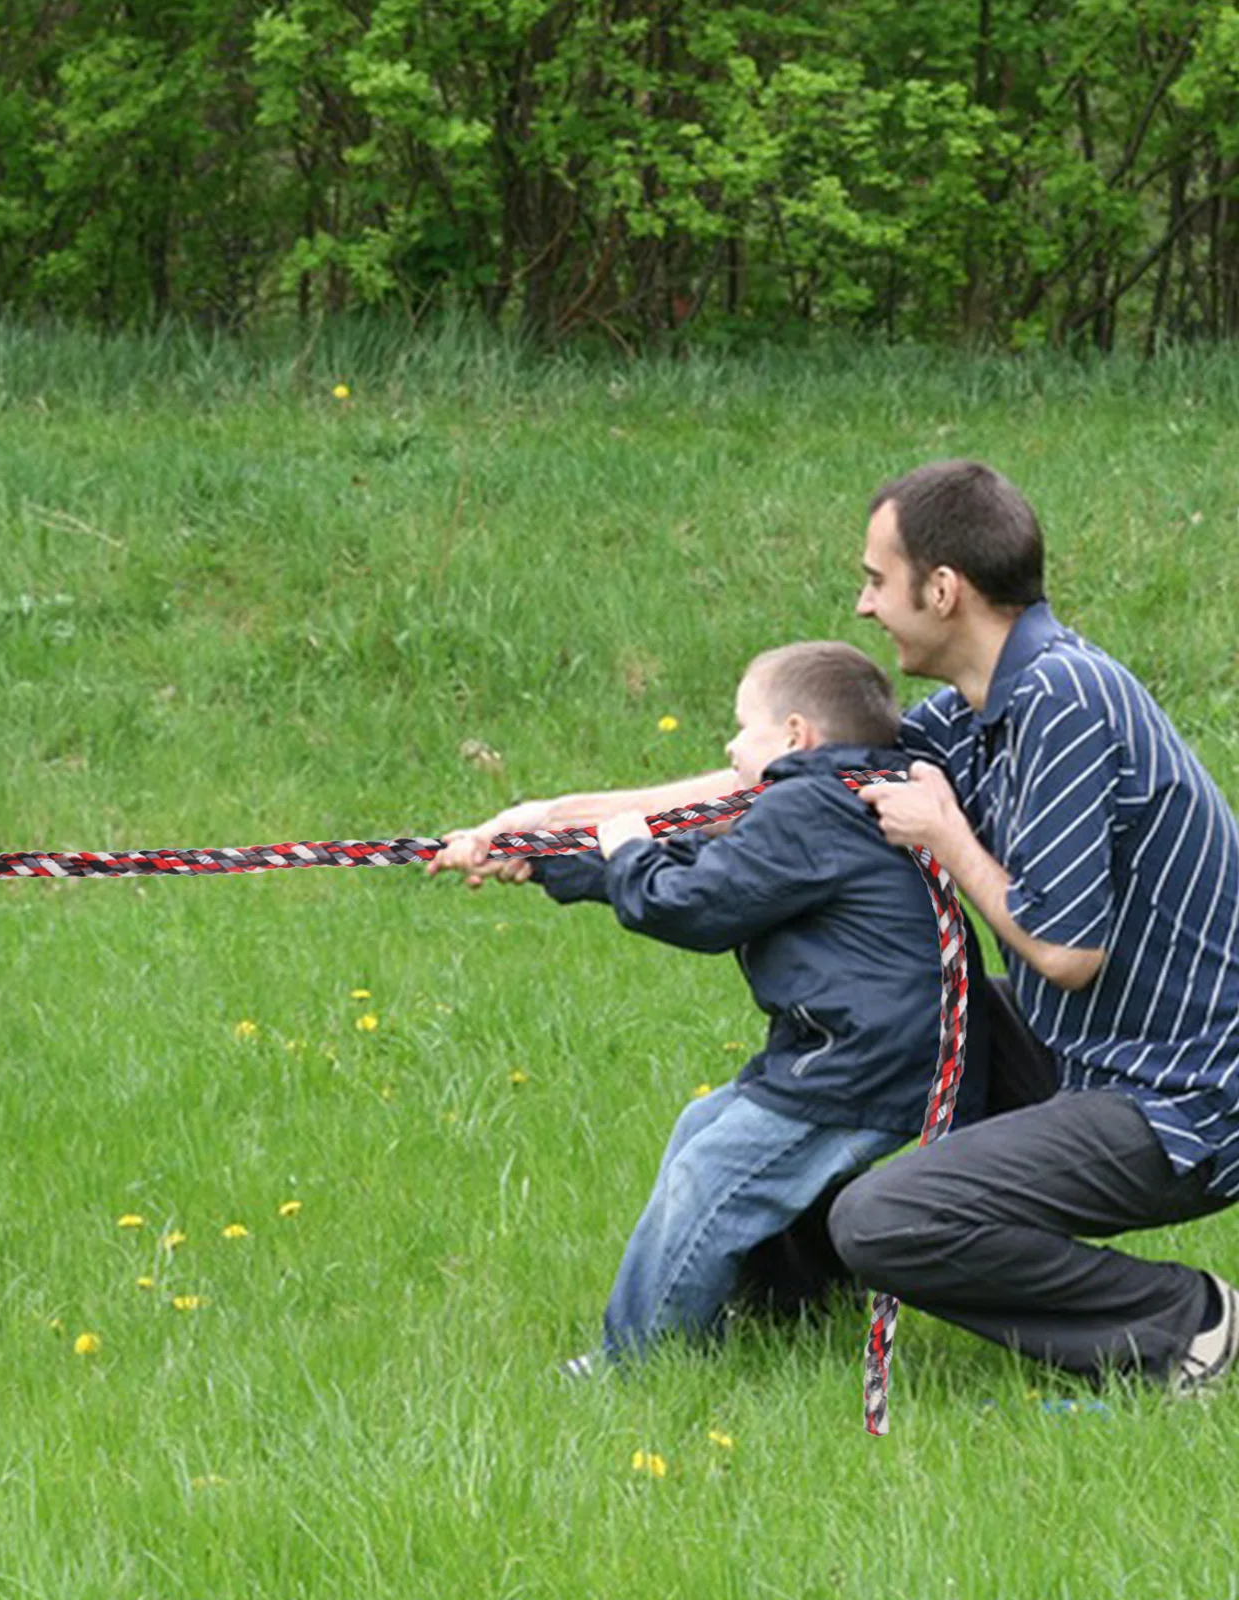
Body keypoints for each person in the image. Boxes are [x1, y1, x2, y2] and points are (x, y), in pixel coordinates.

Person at [434, 641, 989, 1365]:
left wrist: (628, 850)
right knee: (710, 1126)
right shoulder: (839, 798)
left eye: (742, 726)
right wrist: (544, 858)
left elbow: (693, 904)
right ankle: (793, 1303)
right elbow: (717, 867)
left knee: (715, 1173)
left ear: (795, 736)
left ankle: (640, 1363)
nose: (729, 746)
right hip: (891, 1046)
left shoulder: (807, 810)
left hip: (870, 1058)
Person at [830, 458, 1239, 1394]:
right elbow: (805, 770)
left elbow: (1068, 952)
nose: (863, 606)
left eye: (874, 579)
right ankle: (784, 1299)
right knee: (883, 1017)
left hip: (1182, 1094)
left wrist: (948, 838)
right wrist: (561, 825)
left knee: (882, 1221)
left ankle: (1189, 1322)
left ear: (943, 590)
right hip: (1096, 1052)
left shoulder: (1063, 700)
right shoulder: (992, 705)